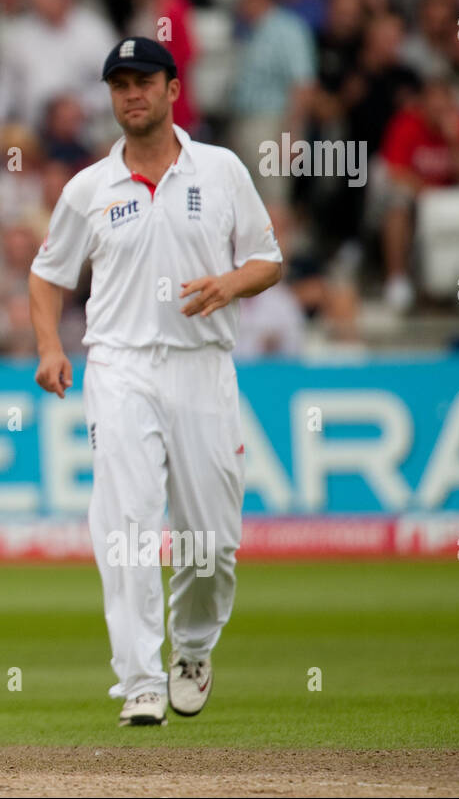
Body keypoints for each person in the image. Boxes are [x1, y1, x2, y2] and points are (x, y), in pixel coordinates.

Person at [28, 36, 282, 727]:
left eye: (144, 82)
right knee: (128, 525)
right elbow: (48, 275)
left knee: (213, 540)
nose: (131, 94)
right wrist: (51, 345)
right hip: (120, 365)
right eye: (119, 85)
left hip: (203, 366)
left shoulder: (221, 170)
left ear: (173, 89)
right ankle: (138, 677)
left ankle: (192, 648)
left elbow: (268, 260)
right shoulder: (89, 188)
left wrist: (229, 283)